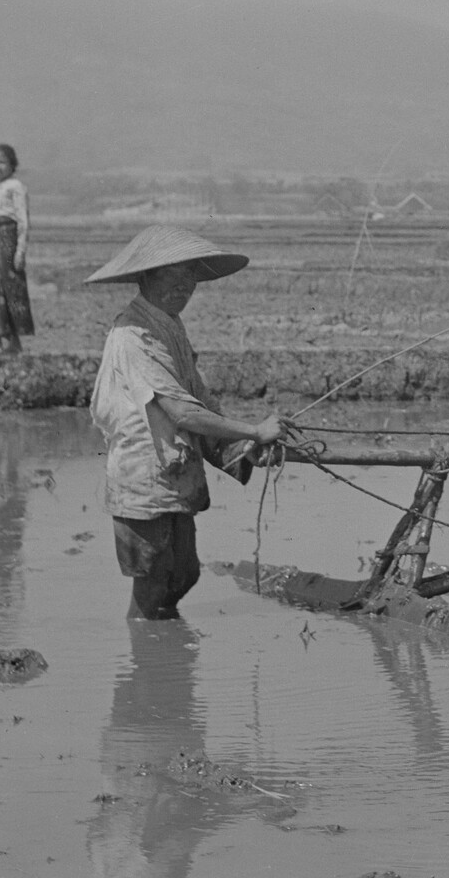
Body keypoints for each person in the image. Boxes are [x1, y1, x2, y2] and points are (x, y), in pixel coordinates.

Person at [86, 225, 298, 620]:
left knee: (185, 573)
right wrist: (253, 430)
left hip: (172, 469)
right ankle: (144, 658)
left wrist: (243, 449)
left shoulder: (169, 325)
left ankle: (163, 655)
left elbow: (201, 400)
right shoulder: (133, 334)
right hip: (141, 473)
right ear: (147, 276)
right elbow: (181, 412)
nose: (183, 288)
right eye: (173, 277)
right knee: (152, 578)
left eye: (190, 280)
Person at [0, 144, 36, 354]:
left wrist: (20, 251)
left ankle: (13, 342)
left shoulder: (16, 187)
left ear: (12, 164)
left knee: (10, 290)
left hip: (8, 240)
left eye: (2, 162)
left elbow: (23, 221)